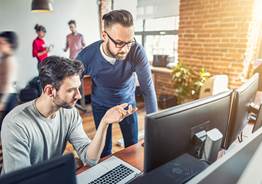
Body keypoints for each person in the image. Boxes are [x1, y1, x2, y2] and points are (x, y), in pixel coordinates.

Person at [0, 56, 136, 174]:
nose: (79, 95)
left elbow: (90, 158)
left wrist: (105, 122)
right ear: (49, 91)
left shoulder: (69, 113)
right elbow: (22, 181)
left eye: (78, 88)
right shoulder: (16, 124)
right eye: (71, 90)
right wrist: (64, 168)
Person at [77, 9, 158, 157]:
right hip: (100, 105)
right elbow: (70, 85)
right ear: (104, 36)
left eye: (129, 42)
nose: (126, 49)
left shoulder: (136, 51)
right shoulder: (86, 56)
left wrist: (155, 129)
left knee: (132, 147)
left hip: (127, 104)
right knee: (105, 151)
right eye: (120, 43)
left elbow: (148, 90)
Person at [0, 31, 18, 130]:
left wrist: (2, 102)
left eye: (1, 43)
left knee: (6, 124)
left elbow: (8, 83)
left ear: (10, 44)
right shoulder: (4, 58)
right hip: (3, 93)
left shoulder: (10, 60)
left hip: (8, 96)